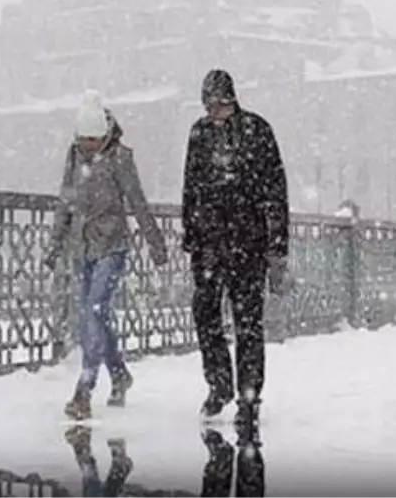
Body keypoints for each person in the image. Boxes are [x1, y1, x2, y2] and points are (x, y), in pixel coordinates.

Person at [45, 90, 169, 420]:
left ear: (104, 135)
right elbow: (65, 200)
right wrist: (55, 243)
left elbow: (137, 200)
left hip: (112, 246)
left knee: (94, 311)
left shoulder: (120, 158)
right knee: (93, 316)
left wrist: (155, 242)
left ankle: (84, 389)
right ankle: (119, 374)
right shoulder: (74, 156)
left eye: (93, 140)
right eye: (83, 140)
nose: (88, 146)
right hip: (81, 246)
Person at [181, 69, 290, 431]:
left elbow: (276, 189)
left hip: (248, 243)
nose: (216, 111)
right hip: (210, 245)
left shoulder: (258, 131)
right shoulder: (199, 134)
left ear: (233, 99)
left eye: (221, 103)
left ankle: (248, 397)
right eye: (210, 105)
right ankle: (220, 385)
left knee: (247, 323)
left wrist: (277, 244)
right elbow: (191, 187)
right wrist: (192, 234)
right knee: (206, 316)